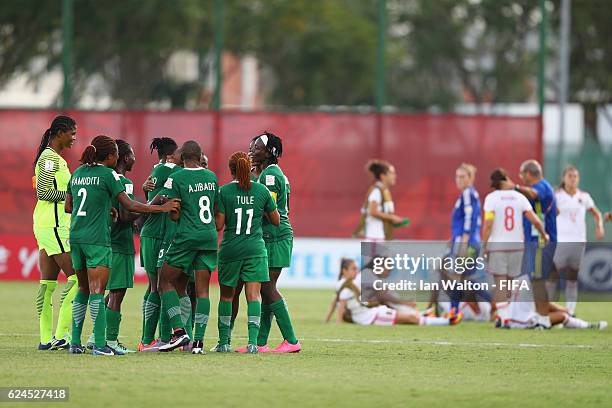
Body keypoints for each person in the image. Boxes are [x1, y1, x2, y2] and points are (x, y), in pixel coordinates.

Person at [66, 135, 180, 356]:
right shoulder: (109, 174)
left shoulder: (77, 173)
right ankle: (101, 344)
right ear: (109, 156)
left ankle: (75, 342)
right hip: (97, 239)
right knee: (99, 291)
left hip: (76, 237)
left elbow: (69, 207)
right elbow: (129, 205)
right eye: (116, 154)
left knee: (83, 288)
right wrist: (160, 209)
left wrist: (102, 208)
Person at [212, 151, 280, 353]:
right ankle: (252, 344)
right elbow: (276, 220)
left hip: (230, 249)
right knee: (253, 296)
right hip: (255, 249)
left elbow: (219, 225)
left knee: (227, 297)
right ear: (249, 167)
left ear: (230, 169)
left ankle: (224, 342)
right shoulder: (262, 191)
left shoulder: (223, 192)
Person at [156, 141, 219, 353]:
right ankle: (199, 343)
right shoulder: (211, 177)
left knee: (164, 280)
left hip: (187, 237)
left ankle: (179, 332)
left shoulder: (177, 177)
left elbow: (172, 212)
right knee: (202, 291)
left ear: (182, 157)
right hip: (209, 236)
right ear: (201, 156)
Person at [242, 132, 300, 353]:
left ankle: (291, 340)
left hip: (275, 237)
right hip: (274, 236)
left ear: (270, 152)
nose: (251, 150)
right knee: (266, 289)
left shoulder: (269, 177)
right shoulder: (270, 174)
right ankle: (260, 342)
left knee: (267, 287)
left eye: (256, 147)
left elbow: (270, 212)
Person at [32, 115, 79, 350]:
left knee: (47, 283)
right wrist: (73, 196)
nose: (74, 138)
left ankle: (44, 339)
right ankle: (61, 335)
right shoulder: (50, 159)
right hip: (54, 224)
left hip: (47, 224)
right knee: (77, 278)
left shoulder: (54, 158)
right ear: (60, 132)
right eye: (72, 133)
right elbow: (43, 192)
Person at [482, 168, 547, 321]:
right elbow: (536, 220)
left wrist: (484, 246)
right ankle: (508, 316)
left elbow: (488, 224)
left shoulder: (491, 198)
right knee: (510, 283)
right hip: (517, 245)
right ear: (506, 178)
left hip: (498, 245)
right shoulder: (519, 198)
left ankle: (503, 318)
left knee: (500, 282)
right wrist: (545, 234)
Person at [501, 159, 557, 329]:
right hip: (536, 241)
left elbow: (533, 194)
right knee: (534, 280)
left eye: (521, 174)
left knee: (538, 280)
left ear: (529, 174)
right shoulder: (546, 188)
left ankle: (544, 318)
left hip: (540, 240)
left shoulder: (541, 187)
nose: (520, 177)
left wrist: (514, 187)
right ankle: (541, 316)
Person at [326, 259, 461, 326]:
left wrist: (328, 320)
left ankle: (429, 316)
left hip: (369, 313)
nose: (356, 271)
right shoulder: (355, 282)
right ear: (344, 271)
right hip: (369, 316)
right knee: (410, 319)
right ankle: (446, 321)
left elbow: (335, 300)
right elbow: (341, 304)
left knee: (408, 319)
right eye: (353, 269)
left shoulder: (343, 284)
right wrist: (338, 323)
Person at [138, 137, 180, 351]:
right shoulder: (168, 170)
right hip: (157, 234)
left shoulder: (157, 171)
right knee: (162, 286)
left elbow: (153, 194)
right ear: (171, 155)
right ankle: (158, 338)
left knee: (154, 285)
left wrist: (146, 192)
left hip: (152, 233)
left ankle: (148, 339)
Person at [550, 165, 605, 315]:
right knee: (552, 274)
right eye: (570, 176)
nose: (573, 179)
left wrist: (599, 227)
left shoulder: (584, 197)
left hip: (579, 241)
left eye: (575, 176)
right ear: (564, 178)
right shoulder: (557, 195)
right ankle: (549, 309)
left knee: (572, 277)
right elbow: (548, 213)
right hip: (561, 241)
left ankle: (570, 311)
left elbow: (596, 213)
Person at [104, 140, 138, 354]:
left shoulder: (105, 180)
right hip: (121, 244)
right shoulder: (124, 182)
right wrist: (150, 207)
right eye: (132, 154)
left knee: (108, 294)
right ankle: (111, 341)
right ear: (125, 158)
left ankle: (95, 335)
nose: (135, 158)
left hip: (107, 242)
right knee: (117, 294)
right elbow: (126, 215)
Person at [446, 163, 483, 314]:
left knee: (456, 275)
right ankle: (491, 307)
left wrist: (463, 241)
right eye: (457, 176)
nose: (458, 180)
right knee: (464, 278)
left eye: (462, 176)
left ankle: (453, 310)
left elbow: (469, 218)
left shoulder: (468, 193)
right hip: (468, 240)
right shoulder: (470, 194)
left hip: (466, 241)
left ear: (471, 178)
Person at [353, 160, 408, 241]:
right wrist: (392, 218)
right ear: (383, 176)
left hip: (381, 238)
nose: (395, 176)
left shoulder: (384, 191)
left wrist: (395, 220)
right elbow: (372, 211)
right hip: (375, 238)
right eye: (391, 173)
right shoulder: (377, 191)